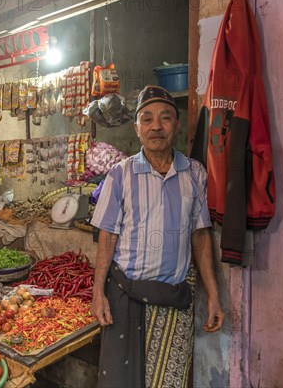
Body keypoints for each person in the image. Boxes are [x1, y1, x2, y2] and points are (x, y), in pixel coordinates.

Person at [90, 86, 224, 388]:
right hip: (126, 297)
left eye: (165, 118)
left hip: (173, 302)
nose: (156, 126)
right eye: (147, 119)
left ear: (176, 125)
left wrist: (213, 294)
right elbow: (107, 237)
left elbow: (200, 238)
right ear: (137, 129)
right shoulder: (119, 175)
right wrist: (98, 292)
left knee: (169, 382)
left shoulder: (195, 173)